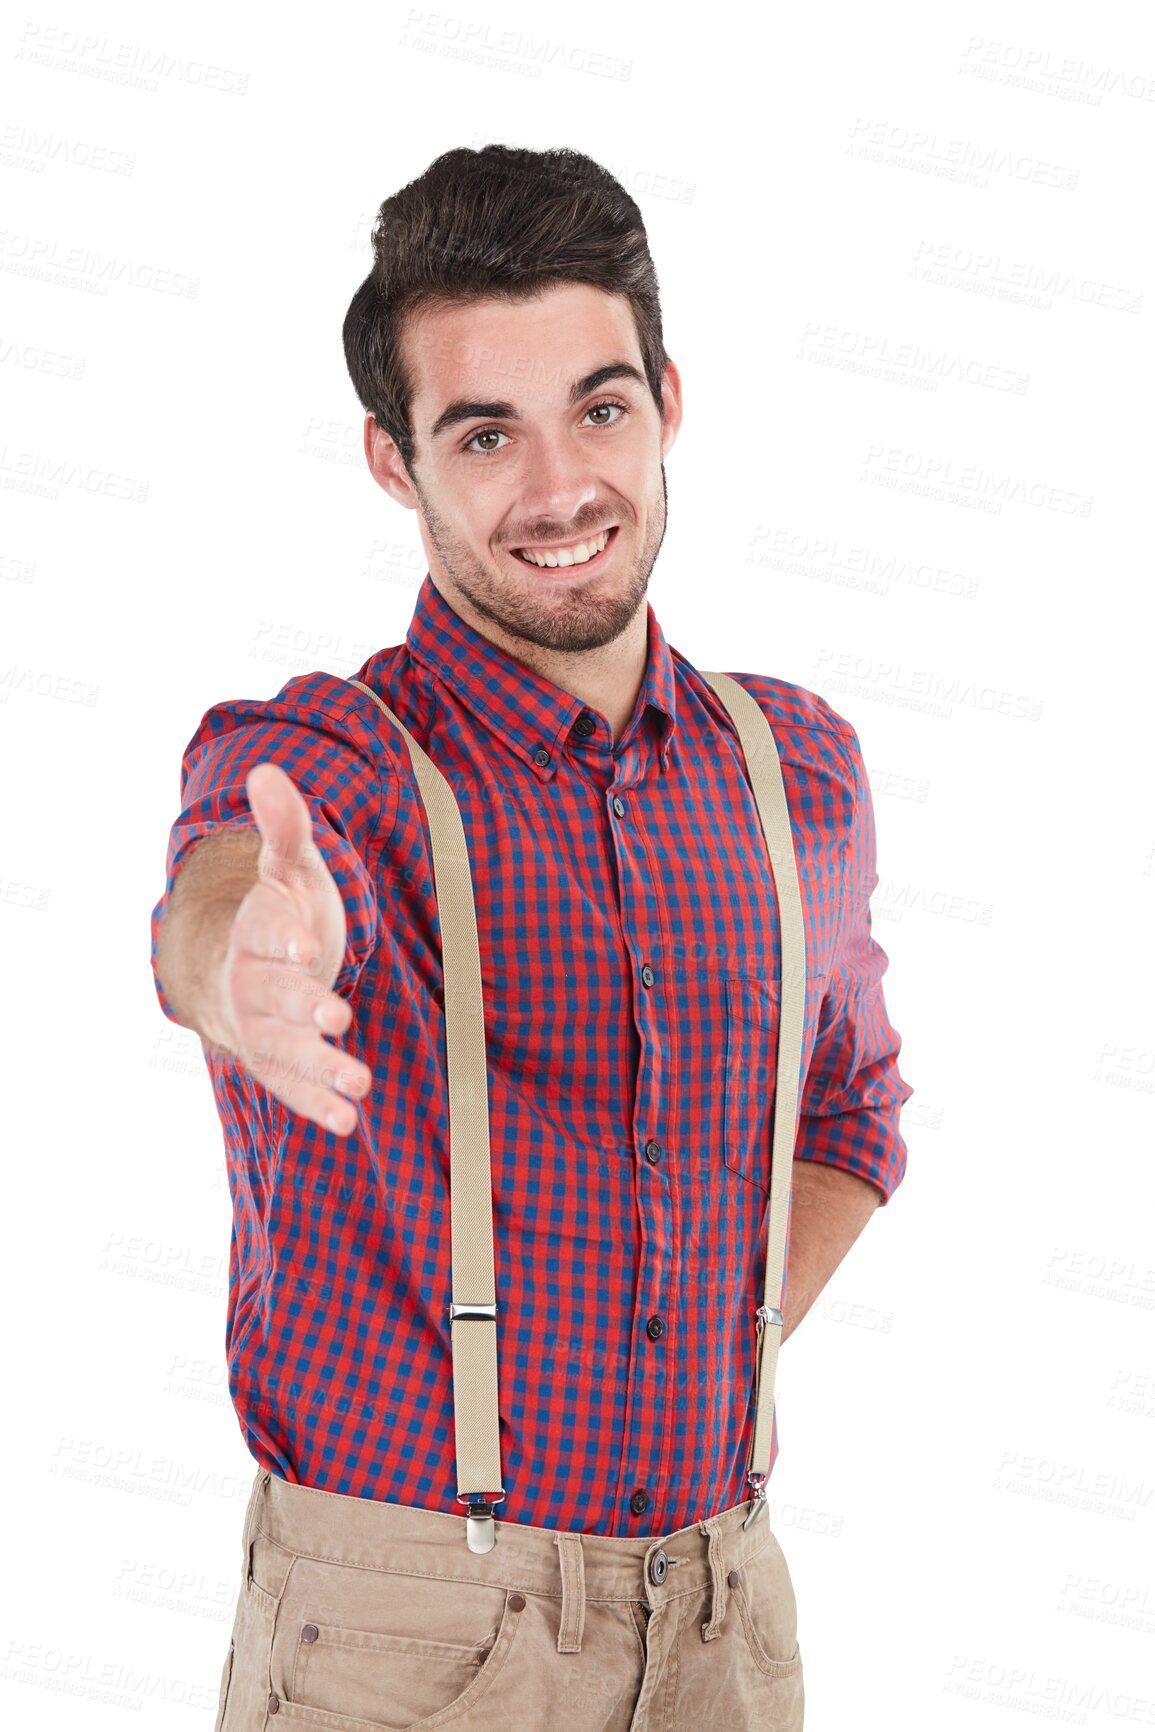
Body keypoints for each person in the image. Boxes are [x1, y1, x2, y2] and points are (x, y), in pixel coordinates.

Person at [151, 143, 913, 1732]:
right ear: (393, 459)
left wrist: (708, 1337)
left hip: (723, 1615)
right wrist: (243, 970)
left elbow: (847, 1112)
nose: (563, 487)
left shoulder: (799, 772)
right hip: (411, 1637)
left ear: (670, 400)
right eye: (485, 434)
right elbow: (227, 882)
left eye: (601, 407)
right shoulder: (339, 759)